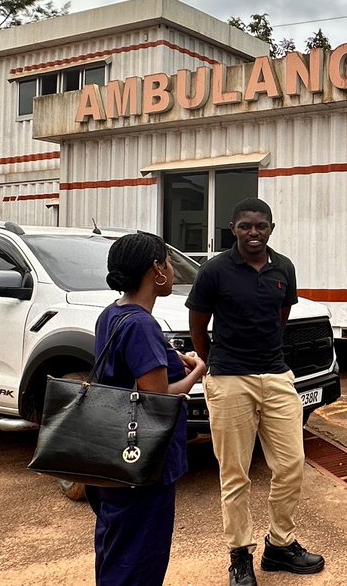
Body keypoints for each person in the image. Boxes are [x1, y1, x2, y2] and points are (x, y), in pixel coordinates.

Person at [186, 198, 323, 586]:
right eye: (245, 226)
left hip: (276, 375)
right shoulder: (214, 271)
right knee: (235, 473)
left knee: (291, 464)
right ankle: (239, 556)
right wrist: (213, 363)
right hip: (230, 379)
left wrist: (268, 360)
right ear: (233, 229)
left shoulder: (283, 269)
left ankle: (279, 545)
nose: (253, 233)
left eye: (260, 226)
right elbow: (199, 323)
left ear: (271, 228)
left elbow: (281, 317)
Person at [89, 232, 207, 586]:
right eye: (169, 262)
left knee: (115, 547)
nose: (172, 269)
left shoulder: (113, 315)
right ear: (156, 269)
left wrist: (171, 357)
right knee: (139, 560)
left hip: (110, 456)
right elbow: (158, 397)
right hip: (143, 462)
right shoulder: (142, 325)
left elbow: (127, 370)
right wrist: (196, 373)